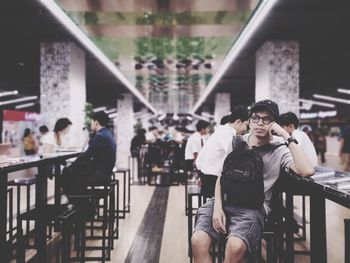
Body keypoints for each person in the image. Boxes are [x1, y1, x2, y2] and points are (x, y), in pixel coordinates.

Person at [191, 99, 314, 262]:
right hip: (224, 201)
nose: (260, 123)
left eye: (267, 119)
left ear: (274, 124)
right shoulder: (237, 142)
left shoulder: (279, 150)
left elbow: (307, 170)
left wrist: (286, 136)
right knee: (198, 241)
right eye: (256, 118)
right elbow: (222, 176)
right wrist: (217, 208)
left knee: (235, 248)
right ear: (249, 121)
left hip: (253, 207)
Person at [196, 106, 249, 198]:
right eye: (247, 125)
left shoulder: (224, 130)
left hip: (209, 175)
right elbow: (234, 154)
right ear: (238, 122)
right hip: (212, 178)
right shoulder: (226, 134)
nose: (247, 129)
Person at [65, 111, 116, 193]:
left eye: (91, 121)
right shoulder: (107, 134)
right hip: (106, 173)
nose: (91, 124)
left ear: (96, 122)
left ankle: (78, 202)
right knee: (75, 172)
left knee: (69, 174)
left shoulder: (100, 136)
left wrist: (71, 166)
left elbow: (87, 155)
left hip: (100, 175)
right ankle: (82, 202)